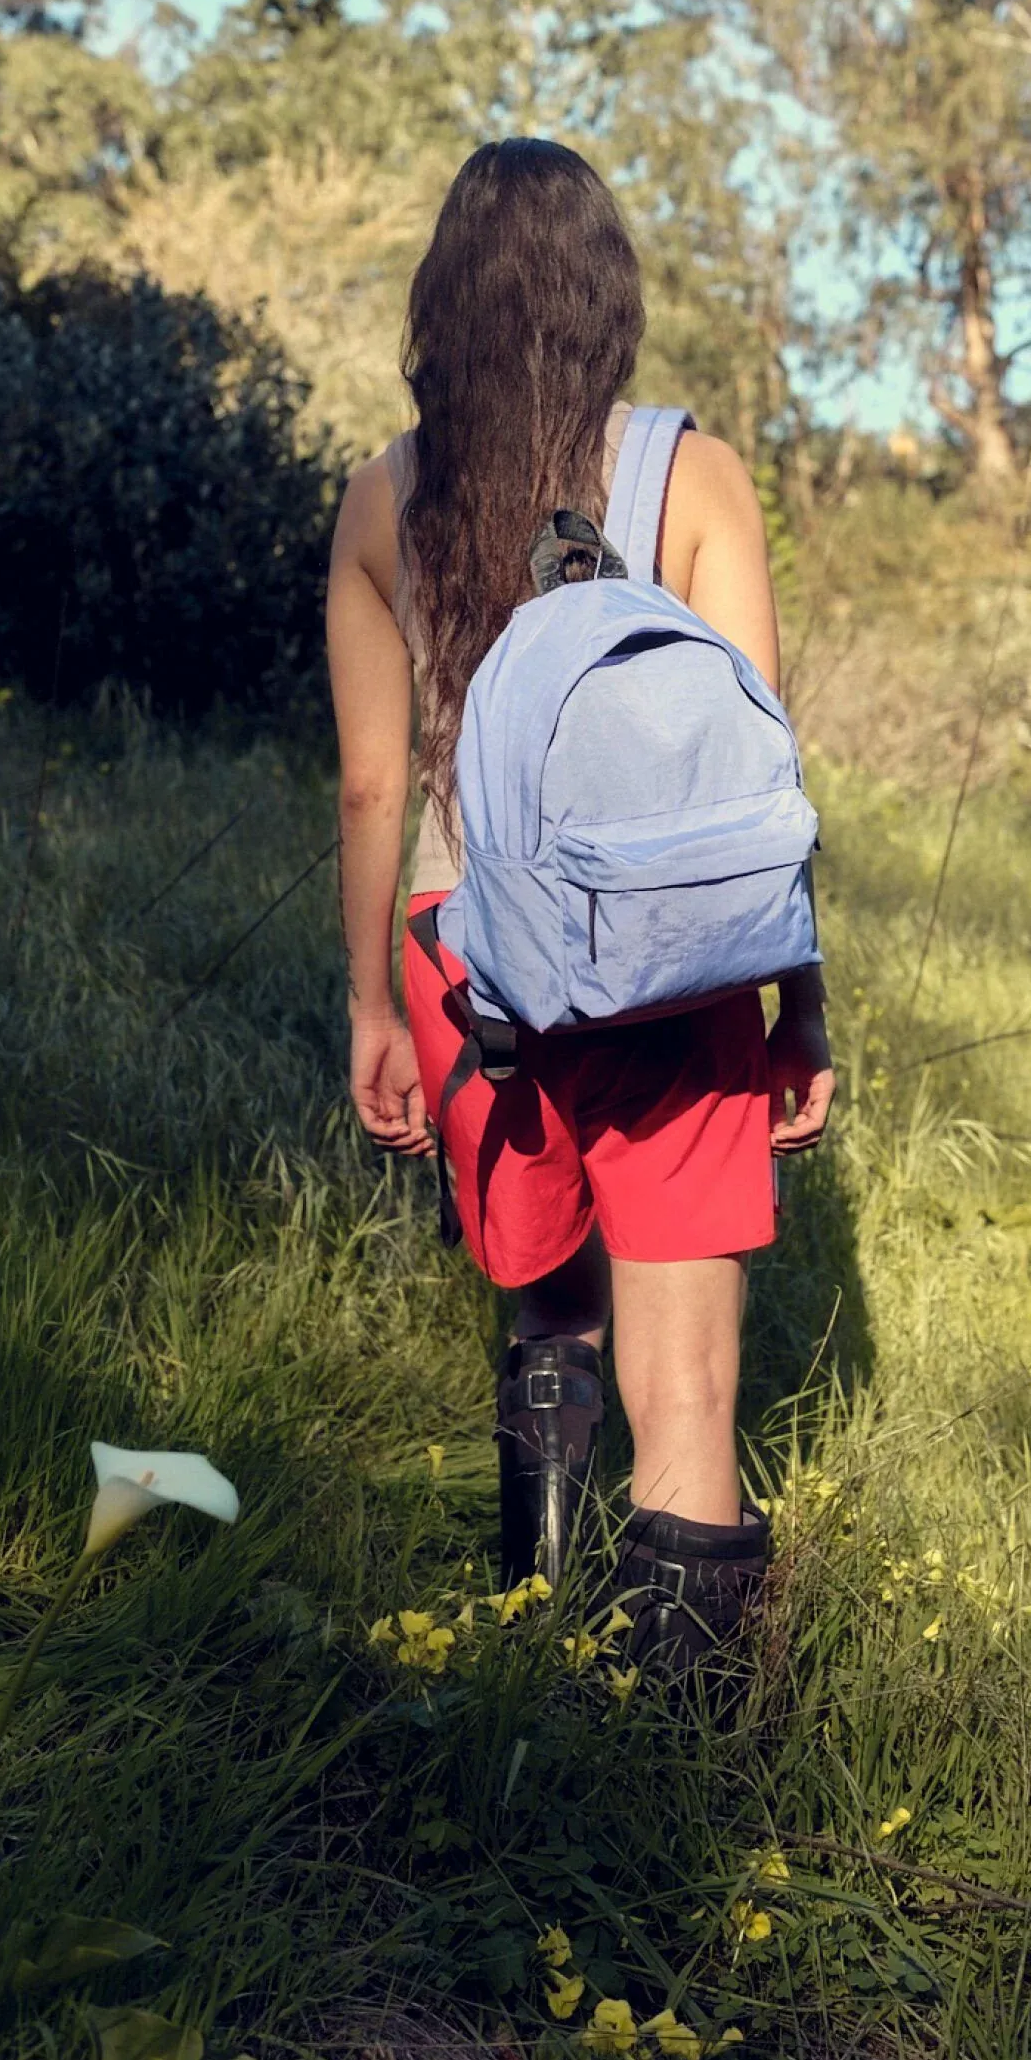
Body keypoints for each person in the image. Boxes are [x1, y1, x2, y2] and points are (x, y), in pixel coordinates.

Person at [326, 138, 833, 1670]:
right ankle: (674, 1754)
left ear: (442, 307)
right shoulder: (695, 472)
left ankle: (528, 1666)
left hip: (463, 950)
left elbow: (367, 789)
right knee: (688, 1386)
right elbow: (759, 768)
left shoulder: (382, 496)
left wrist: (369, 1004)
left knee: (551, 1321)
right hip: (672, 960)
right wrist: (799, 999)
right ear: (608, 301)